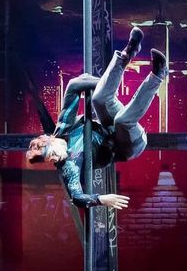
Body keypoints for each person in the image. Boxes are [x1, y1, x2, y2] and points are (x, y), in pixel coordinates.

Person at [25, 27, 168, 210]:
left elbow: (74, 86)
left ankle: (128, 53)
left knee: (99, 99)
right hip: (129, 145)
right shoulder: (69, 166)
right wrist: (101, 199)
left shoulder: (64, 126)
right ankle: (158, 75)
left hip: (109, 128)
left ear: (51, 139)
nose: (55, 159)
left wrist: (106, 85)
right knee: (122, 120)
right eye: (51, 160)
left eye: (51, 153)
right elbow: (77, 197)